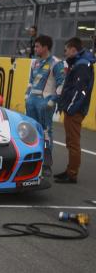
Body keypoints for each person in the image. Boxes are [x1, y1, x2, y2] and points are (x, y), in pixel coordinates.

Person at [54, 37, 95, 184]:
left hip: (75, 110)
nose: (65, 53)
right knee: (71, 142)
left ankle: (72, 174)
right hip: (73, 109)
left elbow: (80, 90)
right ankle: (70, 170)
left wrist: (70, 108)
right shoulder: (79, 62)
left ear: (73, 49)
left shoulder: (82, 64)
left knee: (73, 143)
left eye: (66, 50)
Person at [24, 34, 65, 168]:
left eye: (37, 46)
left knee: (46, 132)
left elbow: (61, 84)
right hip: (31, 102)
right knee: (31, 131)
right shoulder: (35, 63)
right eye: (35, 46)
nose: (35, 49)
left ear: (45, 47)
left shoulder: (56, 63)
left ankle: (46, 164)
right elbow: (30, 82)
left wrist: (52, 101)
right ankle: (32, 159)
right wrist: (27, 96)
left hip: (45, 103)